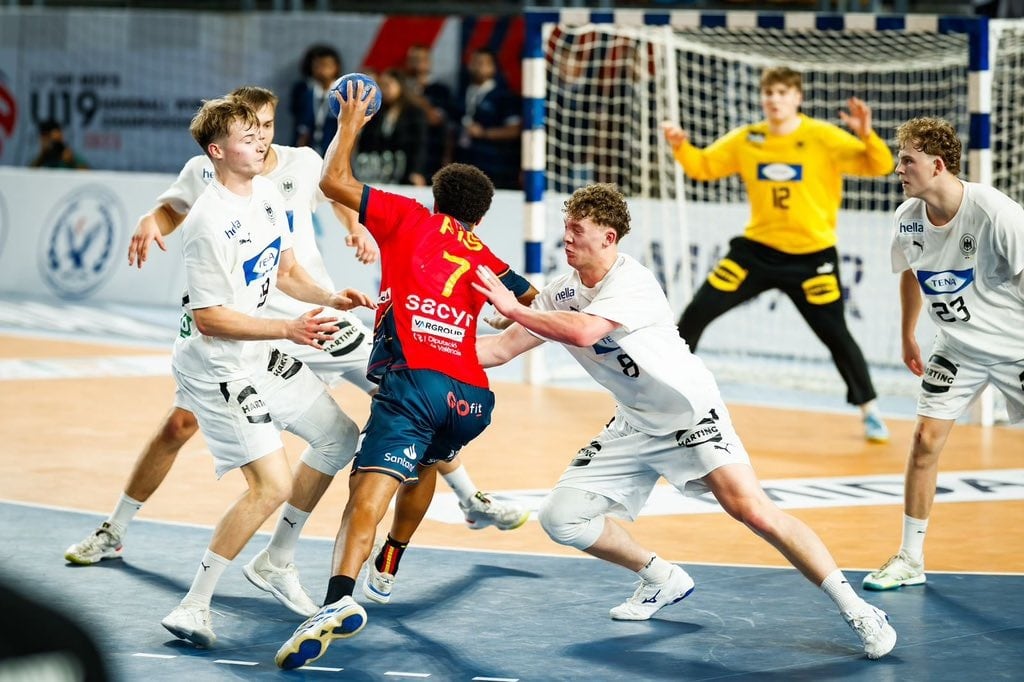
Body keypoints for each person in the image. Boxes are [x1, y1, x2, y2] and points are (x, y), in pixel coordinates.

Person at [64, 87, 528, 578]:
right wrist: (148, 220)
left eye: (268, 125)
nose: (263, 136)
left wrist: (355, 227)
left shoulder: (301, 163)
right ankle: (114, 528)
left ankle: (467, 497)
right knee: (180, 425)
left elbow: (336, 190)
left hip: (316, 312)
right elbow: (172, 210)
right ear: (228, 136)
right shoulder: (204, 170)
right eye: (254, 127)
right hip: (248, 325)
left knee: (406, 389)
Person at [472, 183, 897, 659]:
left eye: (577, 230)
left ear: (609, 238)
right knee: (561, 519)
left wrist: (515, 309)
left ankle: (858, 609)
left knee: (753, 511)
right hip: (634, 422)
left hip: (690, 413)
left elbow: (586, 329)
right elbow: (497, 350)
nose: (566, 238)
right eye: (566, 228)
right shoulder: (561, 293)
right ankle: (660, 578)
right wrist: (425, 347)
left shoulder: (633, 282)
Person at [274, 81, 537, 670]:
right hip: (472, 396)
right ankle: (393, 552)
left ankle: (337, 601)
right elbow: (533, 306)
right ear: (480, 214)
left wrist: (349, 127)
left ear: (436, 196)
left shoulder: (409, 216)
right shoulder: (484, 255)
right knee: (426, 461)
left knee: (364, 491)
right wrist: (496, 341)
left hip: (413, 380)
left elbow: (332, 183)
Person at [159, 96, 377, 647]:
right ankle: (193, 604)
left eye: (261, 133)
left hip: (258, 355)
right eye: (246, 135)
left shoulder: (263, 198)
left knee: (339, 436)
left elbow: (284, 270)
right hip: (219, 367)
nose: (260, 141)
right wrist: (288, 331)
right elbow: (208, 319)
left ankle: (276, 563)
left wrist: (329, 296)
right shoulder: (207, 222)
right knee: (271, 484)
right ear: (217, 152)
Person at [662, 66, 893, 443]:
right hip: (755, 253)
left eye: (783, 92)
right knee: (695, 314)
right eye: (769, 93)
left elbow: (879, 165)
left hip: (811, 257)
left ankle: (870, 411)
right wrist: (680, 145)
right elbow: (704, 167)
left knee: (836, 335)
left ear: (798, 98)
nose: (774, 99)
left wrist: (866, 135)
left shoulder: (822, 137)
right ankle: (667, 398)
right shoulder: (748, 138)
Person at [862, 117, 1024, 591]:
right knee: (924, 442)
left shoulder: (993, 210)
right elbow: (912, 273)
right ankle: (910, 559)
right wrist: (908, 334)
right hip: (956, 347)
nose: (899, 168)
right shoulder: (908, 215)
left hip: (1015, 347)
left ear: (936, 165)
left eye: (907, 159)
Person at [453, 48, 522, 190]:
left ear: (493, 68)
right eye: (474, 62)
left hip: (494, 167)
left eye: (482, 63)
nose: (477, 67)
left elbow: (514, 130)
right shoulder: (461, 93)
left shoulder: (504, 96)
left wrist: (484, 133)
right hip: (464, 164)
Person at [354, 68, 428, 186]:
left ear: (400, 85)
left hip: (404, 169)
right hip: (378, 171)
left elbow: (420, 144)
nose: (384, 89)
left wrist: (416, 171)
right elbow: (366, 140)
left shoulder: (414, 112)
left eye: (388, 85)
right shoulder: (375, 111)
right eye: (381, 85)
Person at [402, 44, 456, 181]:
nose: (418, 63)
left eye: (422, 59)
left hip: (431, 155)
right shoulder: (400, 89)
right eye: (414, 59)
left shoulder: (441, 90)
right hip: (402, 154)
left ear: (429, 62)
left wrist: (413, 97)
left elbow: (435, 119)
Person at [290, 44, 344, 157]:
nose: (322, 70)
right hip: (309, 150)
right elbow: (300, 124)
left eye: (326, 65)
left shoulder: (343, 92)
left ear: (336, 67)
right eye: (317, 65)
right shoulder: (303, 91)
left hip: (333, 151)